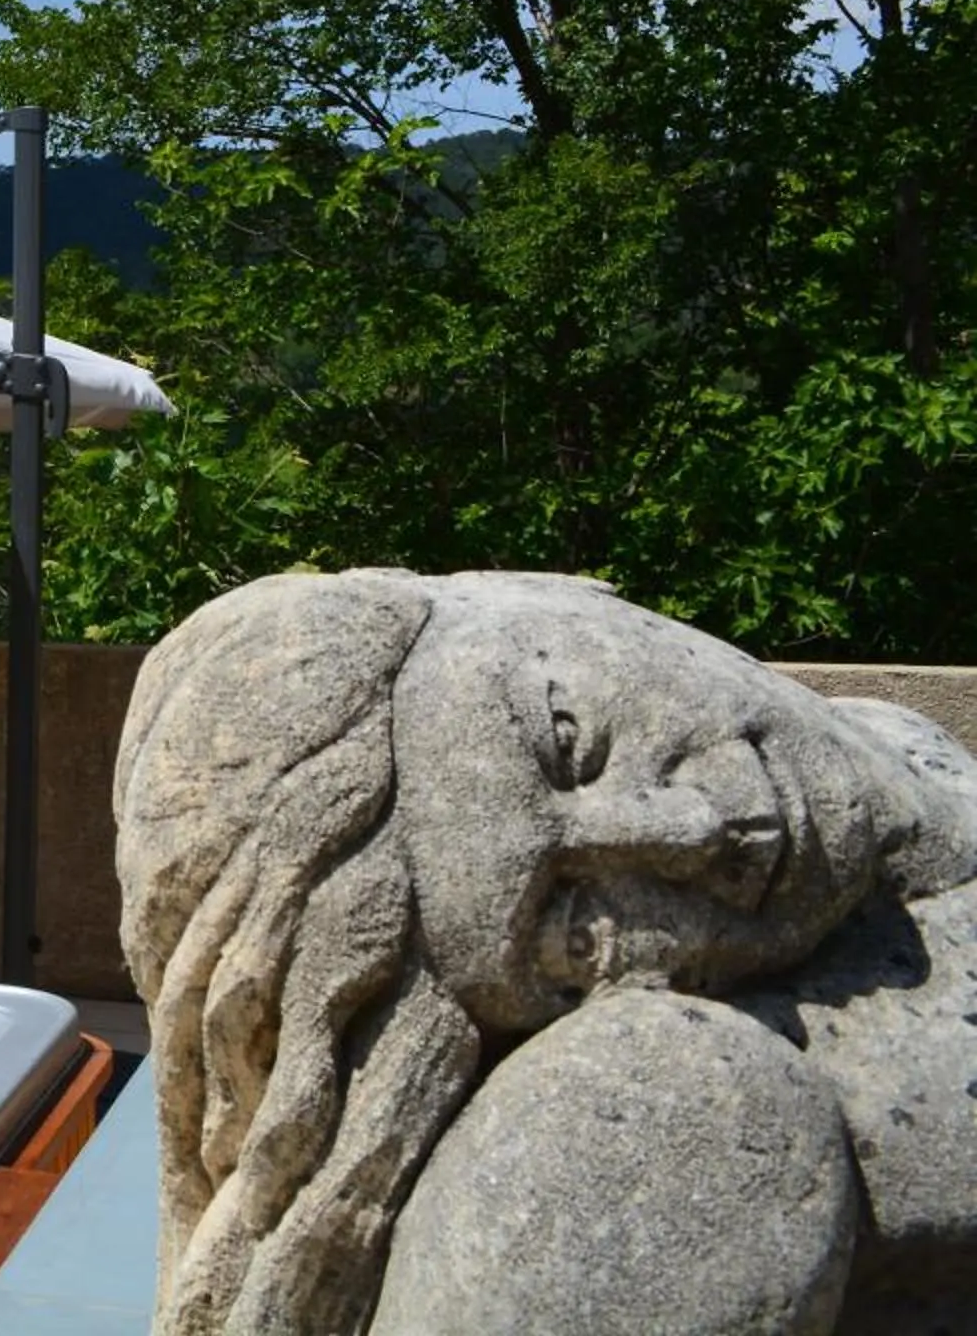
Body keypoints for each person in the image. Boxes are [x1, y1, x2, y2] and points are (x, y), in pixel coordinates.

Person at [115, 569, 977, 1335]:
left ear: (526, 594)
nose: (691, 833)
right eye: (580, 933)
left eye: (569, 744)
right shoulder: (642, 1120)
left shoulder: (890, 740)